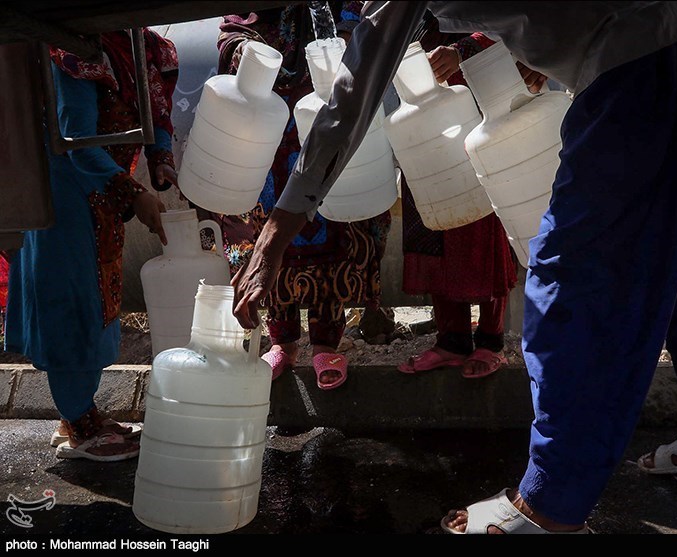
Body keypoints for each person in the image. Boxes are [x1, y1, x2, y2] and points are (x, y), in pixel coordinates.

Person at [231, 2, 677, 534]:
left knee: (576, 272)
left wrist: (274, 234)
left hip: (631, 46)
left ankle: (551, 504)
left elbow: (350, 99)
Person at [3, 29, 179, 461]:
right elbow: (75, 142)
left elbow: (150, 110)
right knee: (73, 306)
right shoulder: (72, 54)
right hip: (65, 198)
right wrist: (134, 194)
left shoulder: (138, 46)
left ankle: (80, 414)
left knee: (99, 303)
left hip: (99, 197)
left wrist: (161, 160)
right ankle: (79, 426)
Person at [198, 2, 391, 391]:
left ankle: (326, 341)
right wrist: (245, 53)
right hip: (263, 122)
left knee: (337, 221)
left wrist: (347, 40)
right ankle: (282, 341)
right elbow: (231, 29)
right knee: (262, 230)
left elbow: (364, 23)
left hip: (329, 109)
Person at [395, 14, 518, 379]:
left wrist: (464, 49)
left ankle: (490, 340)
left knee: (481, 220)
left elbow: (519, 19)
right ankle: (452, 340)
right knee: (434, 216)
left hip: (482, 95)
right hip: (421, 105)